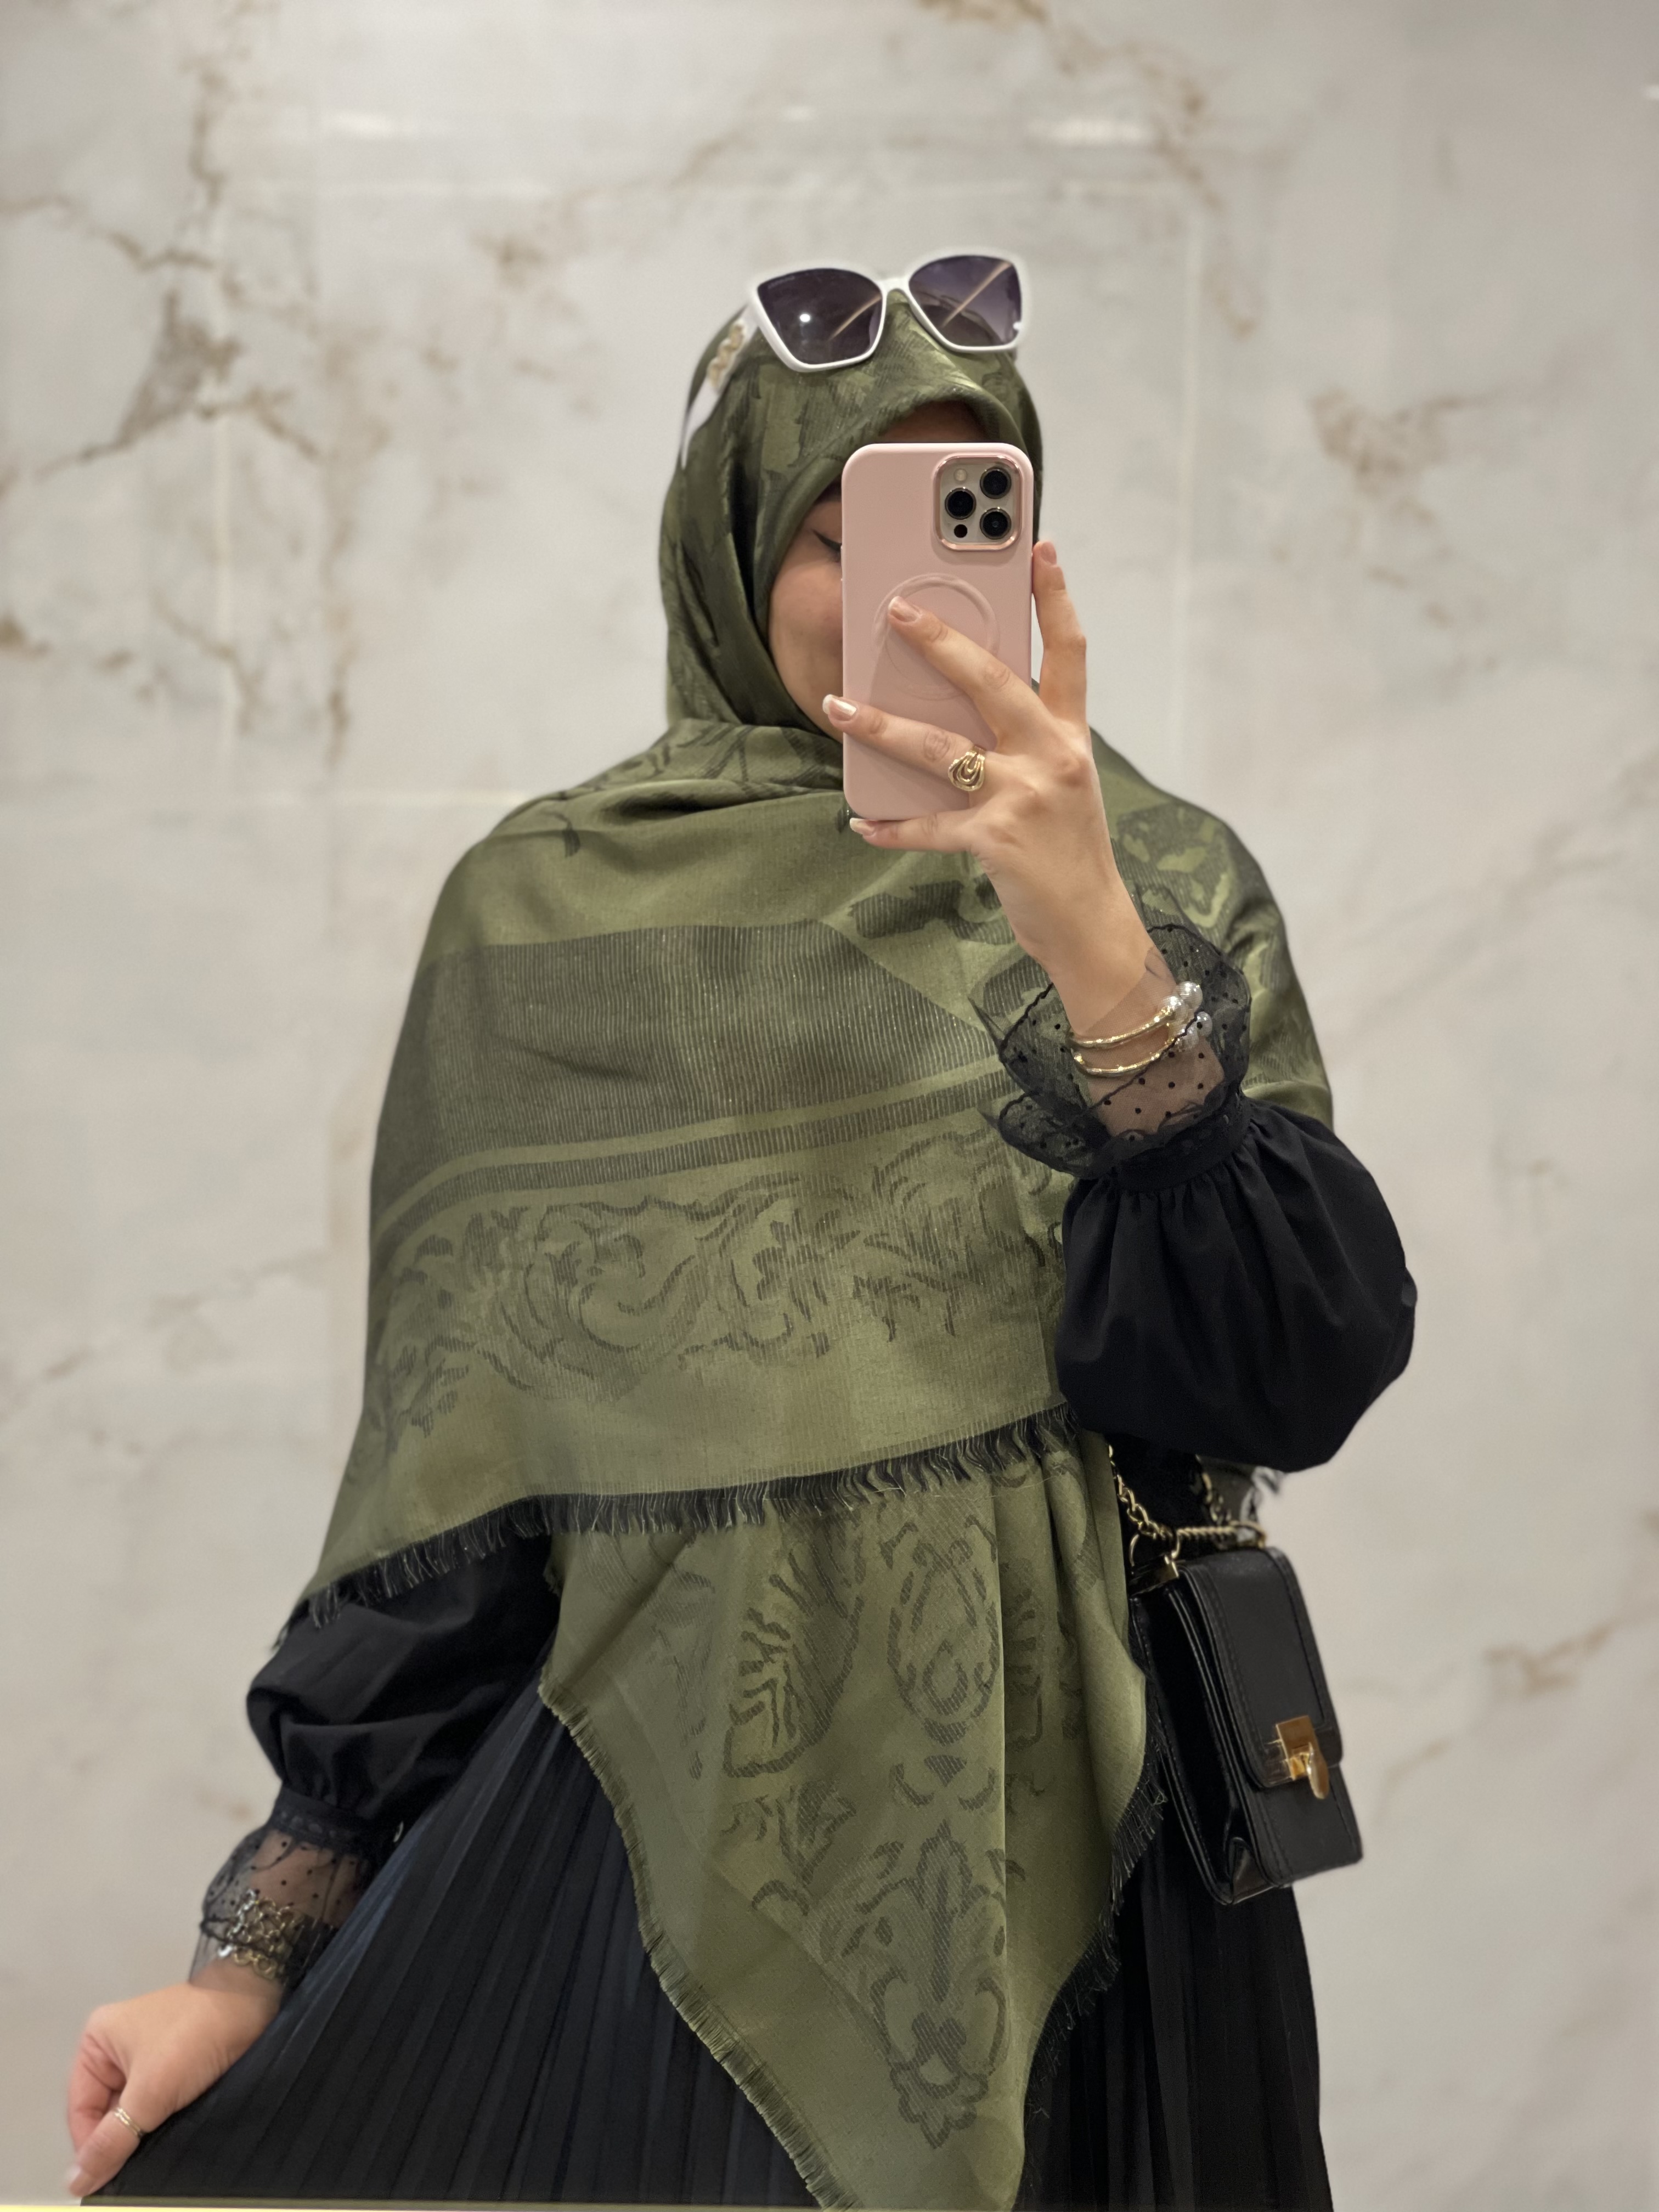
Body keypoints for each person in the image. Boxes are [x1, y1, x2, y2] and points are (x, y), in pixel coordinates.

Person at [68, 284, 1413, 2210]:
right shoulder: (543, 917)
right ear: (723, 545)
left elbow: (1291, 1376)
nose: (909, 599)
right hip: (647, 1872)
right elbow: (461, 1517)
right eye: (834, 534)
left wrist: (1098, 950)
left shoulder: (1161, 881)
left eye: (967, 521)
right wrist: (249, 1966)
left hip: (1109, 1882)